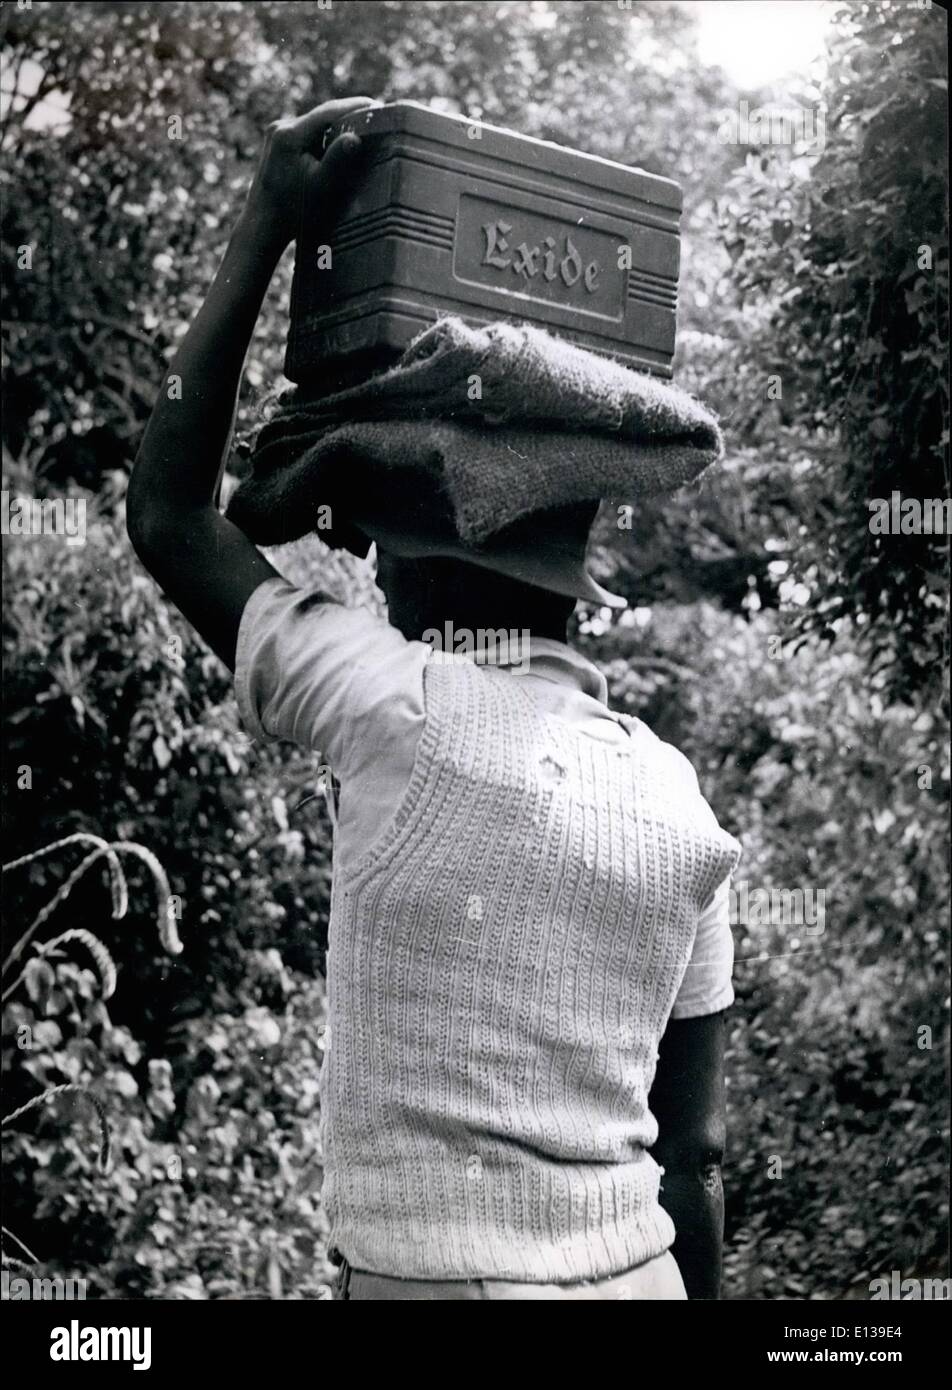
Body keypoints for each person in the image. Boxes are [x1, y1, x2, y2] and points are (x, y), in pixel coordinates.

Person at [127, 98, 742, 1301]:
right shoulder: (678, 797)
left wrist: (267, 217)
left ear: (414, 553)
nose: (363, 565)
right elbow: (697, 1162)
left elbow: (166, 516)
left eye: (379, 537)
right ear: (580, 562)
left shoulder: (393, 706)